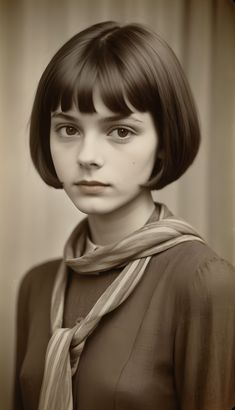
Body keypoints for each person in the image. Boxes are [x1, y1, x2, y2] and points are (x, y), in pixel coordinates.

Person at [14, 21, 235, 410]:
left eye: (120, 131)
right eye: (68, 128)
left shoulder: (204, 283)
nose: (86, 156)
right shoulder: (37, 285)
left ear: (164, 142)